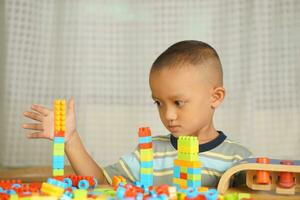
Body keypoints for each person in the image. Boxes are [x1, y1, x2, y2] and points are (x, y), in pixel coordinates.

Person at [22, 40, 251, 187]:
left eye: (178, 102)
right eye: (158, 103)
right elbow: (101, 181)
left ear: (216, 97)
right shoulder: (148, 154)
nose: (168, 115)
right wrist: (70, 138)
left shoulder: (238, 161)